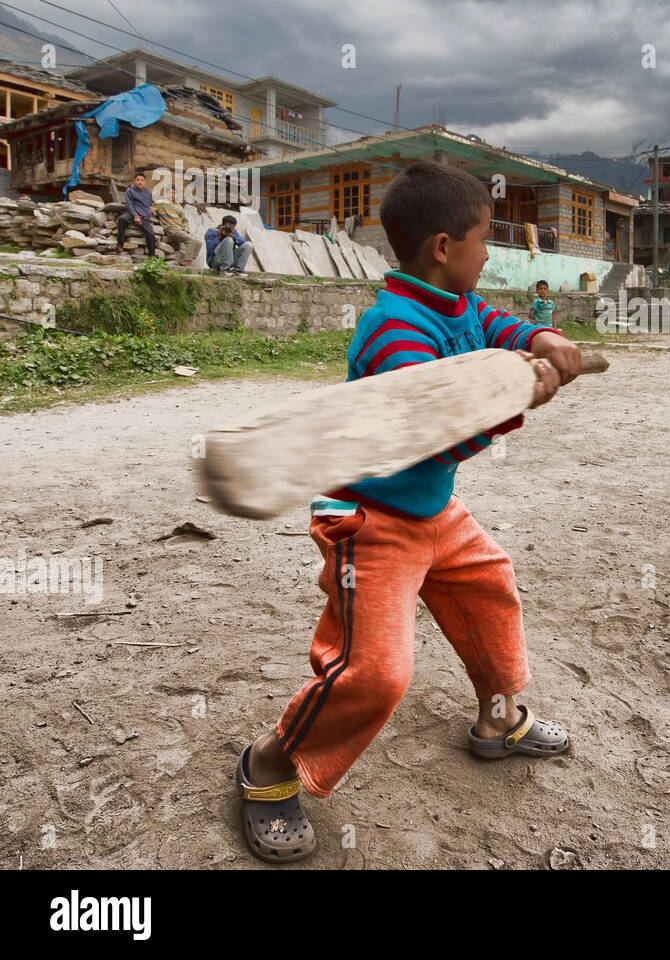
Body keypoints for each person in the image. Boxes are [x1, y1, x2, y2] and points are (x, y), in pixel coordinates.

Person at [235, 160, 582, 863]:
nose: (489, 255)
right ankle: (270, 765)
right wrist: (523, 397)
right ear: (445, 248)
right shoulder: (393, 330)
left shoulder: (454, 302)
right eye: (484, 240)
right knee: (377, 672)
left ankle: (500, 718)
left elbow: (491, 319)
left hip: (432, 510)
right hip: (369, 520)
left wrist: (538, 340)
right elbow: (435, 430)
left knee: (491, 589)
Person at [116, 171, 157, 257]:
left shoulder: (148, 193)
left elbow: (147, 204)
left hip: (144, 217)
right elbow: (129, 204)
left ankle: (151, 258)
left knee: (151, 235)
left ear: (145, 182)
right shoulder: (130, 191)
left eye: (142, 180)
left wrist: (150, 208)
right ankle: (120, 243)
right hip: (132, 214)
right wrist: (135, 215)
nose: (140, 181)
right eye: (138, 179)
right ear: (134, 181)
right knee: (122, 219)